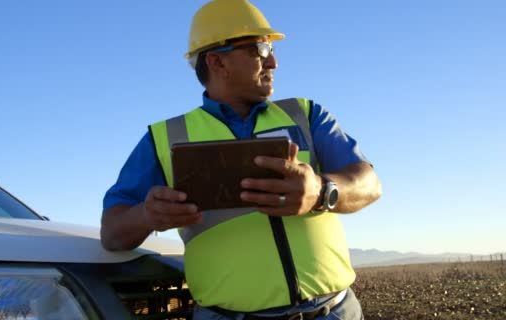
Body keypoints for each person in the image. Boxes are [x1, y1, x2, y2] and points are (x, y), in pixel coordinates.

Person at [101, 0, 382, 319]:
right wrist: (147, 216)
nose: (273, 61)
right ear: (217, 62)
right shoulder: (163, 138)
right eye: (260, 49)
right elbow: (112, 233)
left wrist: (320, 191)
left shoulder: (306, 114)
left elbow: (369, 183)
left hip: (334, 312)